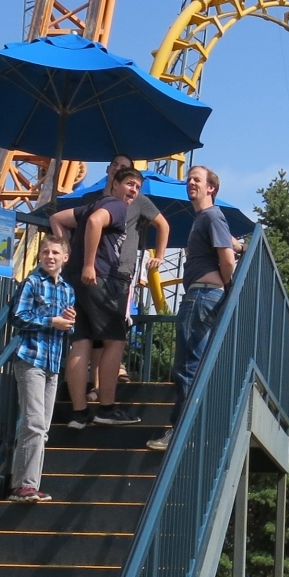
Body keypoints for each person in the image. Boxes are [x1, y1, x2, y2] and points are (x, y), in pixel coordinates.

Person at [49, 158, 166, 428]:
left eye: (137, 187)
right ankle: (107, 408)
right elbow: (94, 222)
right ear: (114, 183)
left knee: (82, 342)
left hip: (76, 281)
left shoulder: (93, 203)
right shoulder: (116, 206)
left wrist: (69, 255)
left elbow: (57, 218)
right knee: (115, 341)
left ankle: (79, 413)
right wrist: (89, 263)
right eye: (129, 184)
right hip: (102, 279)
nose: (133, 190)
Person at [150, 165, 236, 453]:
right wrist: (240, 246)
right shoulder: (205, 219)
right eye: (188, 179)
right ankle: (193, 428)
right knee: (194, 364)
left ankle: (181, 432)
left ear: (211, 187)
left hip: (201, 296)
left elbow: (227, 259)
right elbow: (229, 245)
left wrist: (225, 284)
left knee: (187, 366)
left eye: (196, 179)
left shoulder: (211, 216)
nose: (190, 183)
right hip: (203, 295)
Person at [9, 234, 75, 503]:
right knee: (34, 423)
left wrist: (69, 322)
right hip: (31, 359)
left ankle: (26, 485)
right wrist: (52, 321)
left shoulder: (68, 290)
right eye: (46, 252)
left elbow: (67, 328)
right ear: (40, 256)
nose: (50, 257)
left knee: (41, 427)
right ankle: (24, 486)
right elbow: (18, 316)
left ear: (65, 258)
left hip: (53, 363)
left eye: (55, 253)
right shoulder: (32, 282)